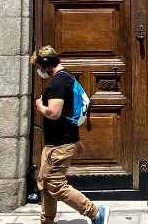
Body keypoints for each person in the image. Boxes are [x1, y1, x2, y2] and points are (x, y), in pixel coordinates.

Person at [31, 45, 108, 224]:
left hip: (59, 144)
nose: (38, 71)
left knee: (55, 185)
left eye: (38, 66)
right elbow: (69, 114)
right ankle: (47, 220)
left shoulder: (58, 82)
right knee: (45, 182)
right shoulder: (68, 78)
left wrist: (39, 106)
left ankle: (95, 212)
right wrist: (77, 140)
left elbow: (54, 113)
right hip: (58, 142)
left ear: (45, 65)